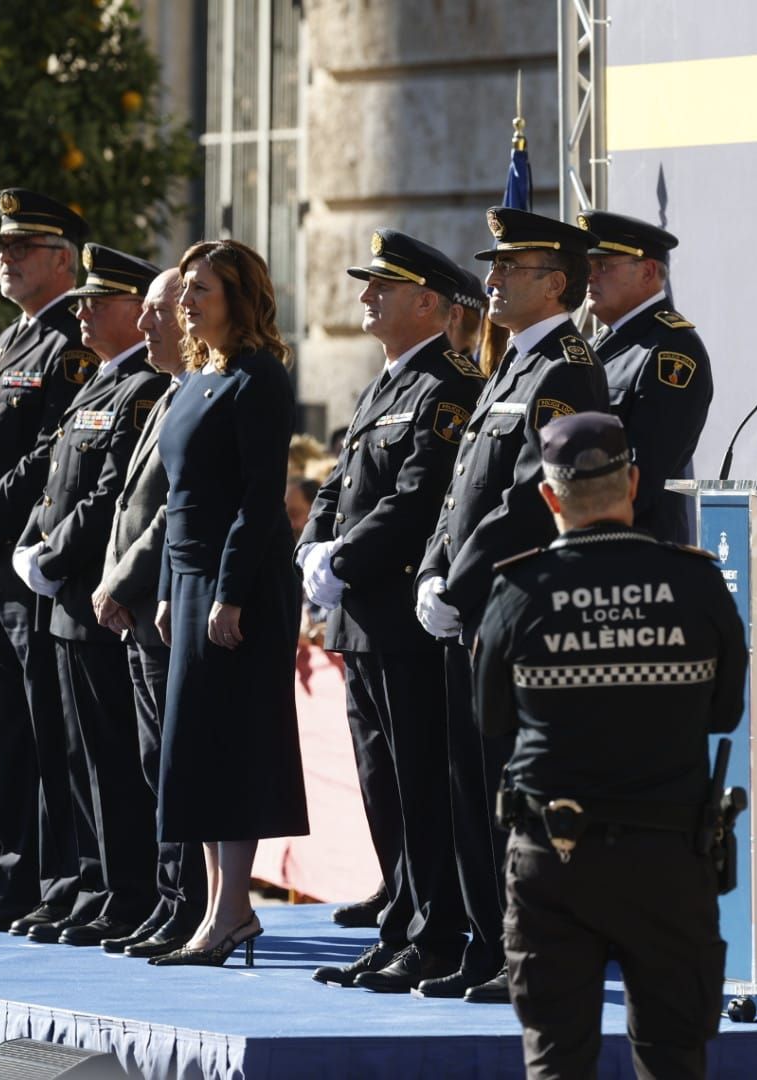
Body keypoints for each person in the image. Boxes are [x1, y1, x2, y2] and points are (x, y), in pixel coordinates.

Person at [474, 412, 746, 1079]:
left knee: (556, 1060)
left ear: (548, 495)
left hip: (553, 854)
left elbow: (490, 720)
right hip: (670, 856)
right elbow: (725, 710)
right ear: (633, 482)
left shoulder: (518, 590)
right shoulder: (695, 582)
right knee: (672, 1057)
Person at [414, 207, 609, 1002]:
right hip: (474, 609)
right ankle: (489, 941)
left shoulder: (566, 367)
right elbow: (461, 489)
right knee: (470, 786)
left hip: (520, 608)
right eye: (493, 266)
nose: (490, 279)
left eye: (510, 268)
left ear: (556, 283)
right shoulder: (508, 363)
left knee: (517, 793)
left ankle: (534, 950)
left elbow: (534, 493)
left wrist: (456, 583)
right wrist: (431, 572)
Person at [298, 229, 482, 992]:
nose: (366, 296)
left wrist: (342, 557)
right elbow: (339, 484)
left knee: (418, 778)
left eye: (383, 287)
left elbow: (416, 500)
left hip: (403, 611)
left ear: (429, 303)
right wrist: (312, 544)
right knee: (380, 778)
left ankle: (436, 934)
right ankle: (400, 920)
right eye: (368, 284)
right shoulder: (383, 384)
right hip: (358, 614)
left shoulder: (449, 384)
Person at [0, 188, 99, 933]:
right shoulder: (13, 339)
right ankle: (16, 881)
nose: (5, 257)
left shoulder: (74, 340)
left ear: (63, 259)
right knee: (3, 730)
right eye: (1, 247)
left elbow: (49, 455)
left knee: (45, 732)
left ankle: (57, 882)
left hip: (32, 561)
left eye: (21, 247)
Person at [149, 239, 309, 967]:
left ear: (238, 298)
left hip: (235, 586)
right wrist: (163, 589)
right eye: (185, 289)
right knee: (195, 750)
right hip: (186, 583)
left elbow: (257, 497)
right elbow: (173, 498)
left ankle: (231, 907)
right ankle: (225, 908)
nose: (188, 302)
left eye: (202, 290)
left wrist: (230, 593)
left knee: (234, 745)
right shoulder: (194, 376)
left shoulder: (259, 379)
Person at [13, 244, 168, 947]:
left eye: (97, 301)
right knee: (78, 753)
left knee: (114, 754)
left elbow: (110, 497)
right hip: (68, 594)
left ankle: (129, 887)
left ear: (138, 313)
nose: (82, 310)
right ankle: (98, 880)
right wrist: (35, 544)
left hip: (100, 593)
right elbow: (58, 482)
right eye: (81, 300)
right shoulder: (98, 384)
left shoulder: (141, 388)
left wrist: (54, 552)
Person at [89, 266, 211, 959]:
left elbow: (172, 512)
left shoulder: (194, 394)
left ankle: (185, 902)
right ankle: (169, 899)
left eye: (159, 312)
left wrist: (122, 578)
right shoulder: (169, 394)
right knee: (150, 760)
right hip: (140, 608)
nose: (146, 326)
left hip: (164, 602)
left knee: (174, 763)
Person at [580, 211, 712, 544]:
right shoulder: (602, 343)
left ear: (648, 271)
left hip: (637, 552)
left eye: (604, 266)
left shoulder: (672, 349)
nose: (590, 277)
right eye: (589, 266)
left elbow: (645, 469)